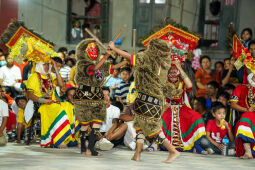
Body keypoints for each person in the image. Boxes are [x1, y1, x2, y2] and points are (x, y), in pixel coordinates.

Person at [109, 38, 181, 163]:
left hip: (148, 101)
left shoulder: (149, 59)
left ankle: (173, 151)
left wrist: (114, 48)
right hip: (150, 100)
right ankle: (137, 154)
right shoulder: (164, 63)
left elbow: (131, 58)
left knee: (152, 129)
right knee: (140, 127)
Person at [73, 39, 128, 156]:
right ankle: (83, 148)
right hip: (84, 97)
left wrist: (127, 60)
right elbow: (93, 69)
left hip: (97, 97)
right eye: (90, 49)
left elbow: (114, 67)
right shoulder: (82, 63)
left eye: (94, 49)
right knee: (84, 125)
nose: (93, 51)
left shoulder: (101, 64)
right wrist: (106, 56)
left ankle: (91, 148)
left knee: (97, 123)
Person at [26, 60, 78, 148]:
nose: (46, 67)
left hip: (53, 102)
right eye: (44, 65)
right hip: (41, 104)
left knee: (70, 107)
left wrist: (55, 68)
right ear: (38, 65)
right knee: (59, 109)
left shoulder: (50, 76)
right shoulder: (33, 77)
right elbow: (30, 95)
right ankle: (59, 139)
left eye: (48, 65)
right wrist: (44, 101)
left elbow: (61, 85)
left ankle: (72, 138)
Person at [161, 61, 206, 154]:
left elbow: (190, 85)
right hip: (167, 108)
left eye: (175, 70)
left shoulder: (182, 82)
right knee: (159, 119)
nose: (173, 71)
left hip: (182, 108)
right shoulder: (163, 82)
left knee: (197, 118)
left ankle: (196, 145)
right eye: (171, 70)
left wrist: (180, 68)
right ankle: (155, 144)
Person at [234, 72, 255, 159]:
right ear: (250, 77)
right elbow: (233, 104)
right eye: (254, 77)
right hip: (245, 116)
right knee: (246, 118)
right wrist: (246, 110)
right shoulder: (241, 88)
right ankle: (248, 152)